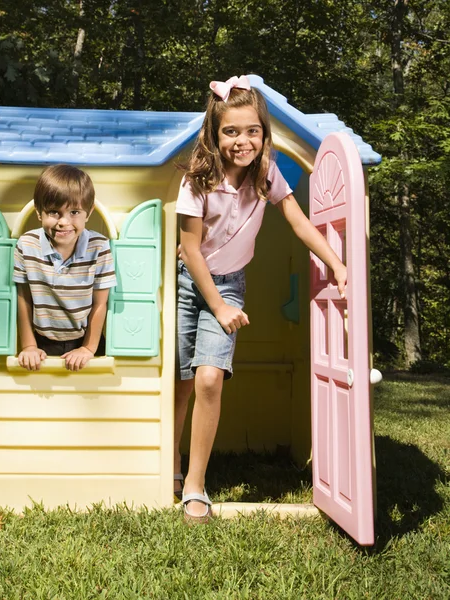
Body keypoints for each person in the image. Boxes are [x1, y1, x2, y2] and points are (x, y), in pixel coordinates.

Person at [174, 76, 347, 523]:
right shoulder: (197, 180)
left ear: (264, 133)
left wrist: (337, 263)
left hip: (228, 284)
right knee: (181, 381)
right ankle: (170, 466)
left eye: (252, 130)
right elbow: (190, 250)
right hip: (190, 281)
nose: (242, 140)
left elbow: (300, 222)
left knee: (209, 378)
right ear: (215, 134)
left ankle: (195, 484)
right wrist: (216, 305)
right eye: (231, 131)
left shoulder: (267, 174)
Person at [13, 164, 116, 372]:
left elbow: (100, 304)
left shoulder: (99, 247)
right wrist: (29, 345)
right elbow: (23, 298)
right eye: (54, 212)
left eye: (74, 212)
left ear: (88, 213)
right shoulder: (27, 245)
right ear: (39, 213)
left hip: (85, 339)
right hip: (42, 341)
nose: (63, 222)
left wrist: (88, 348)